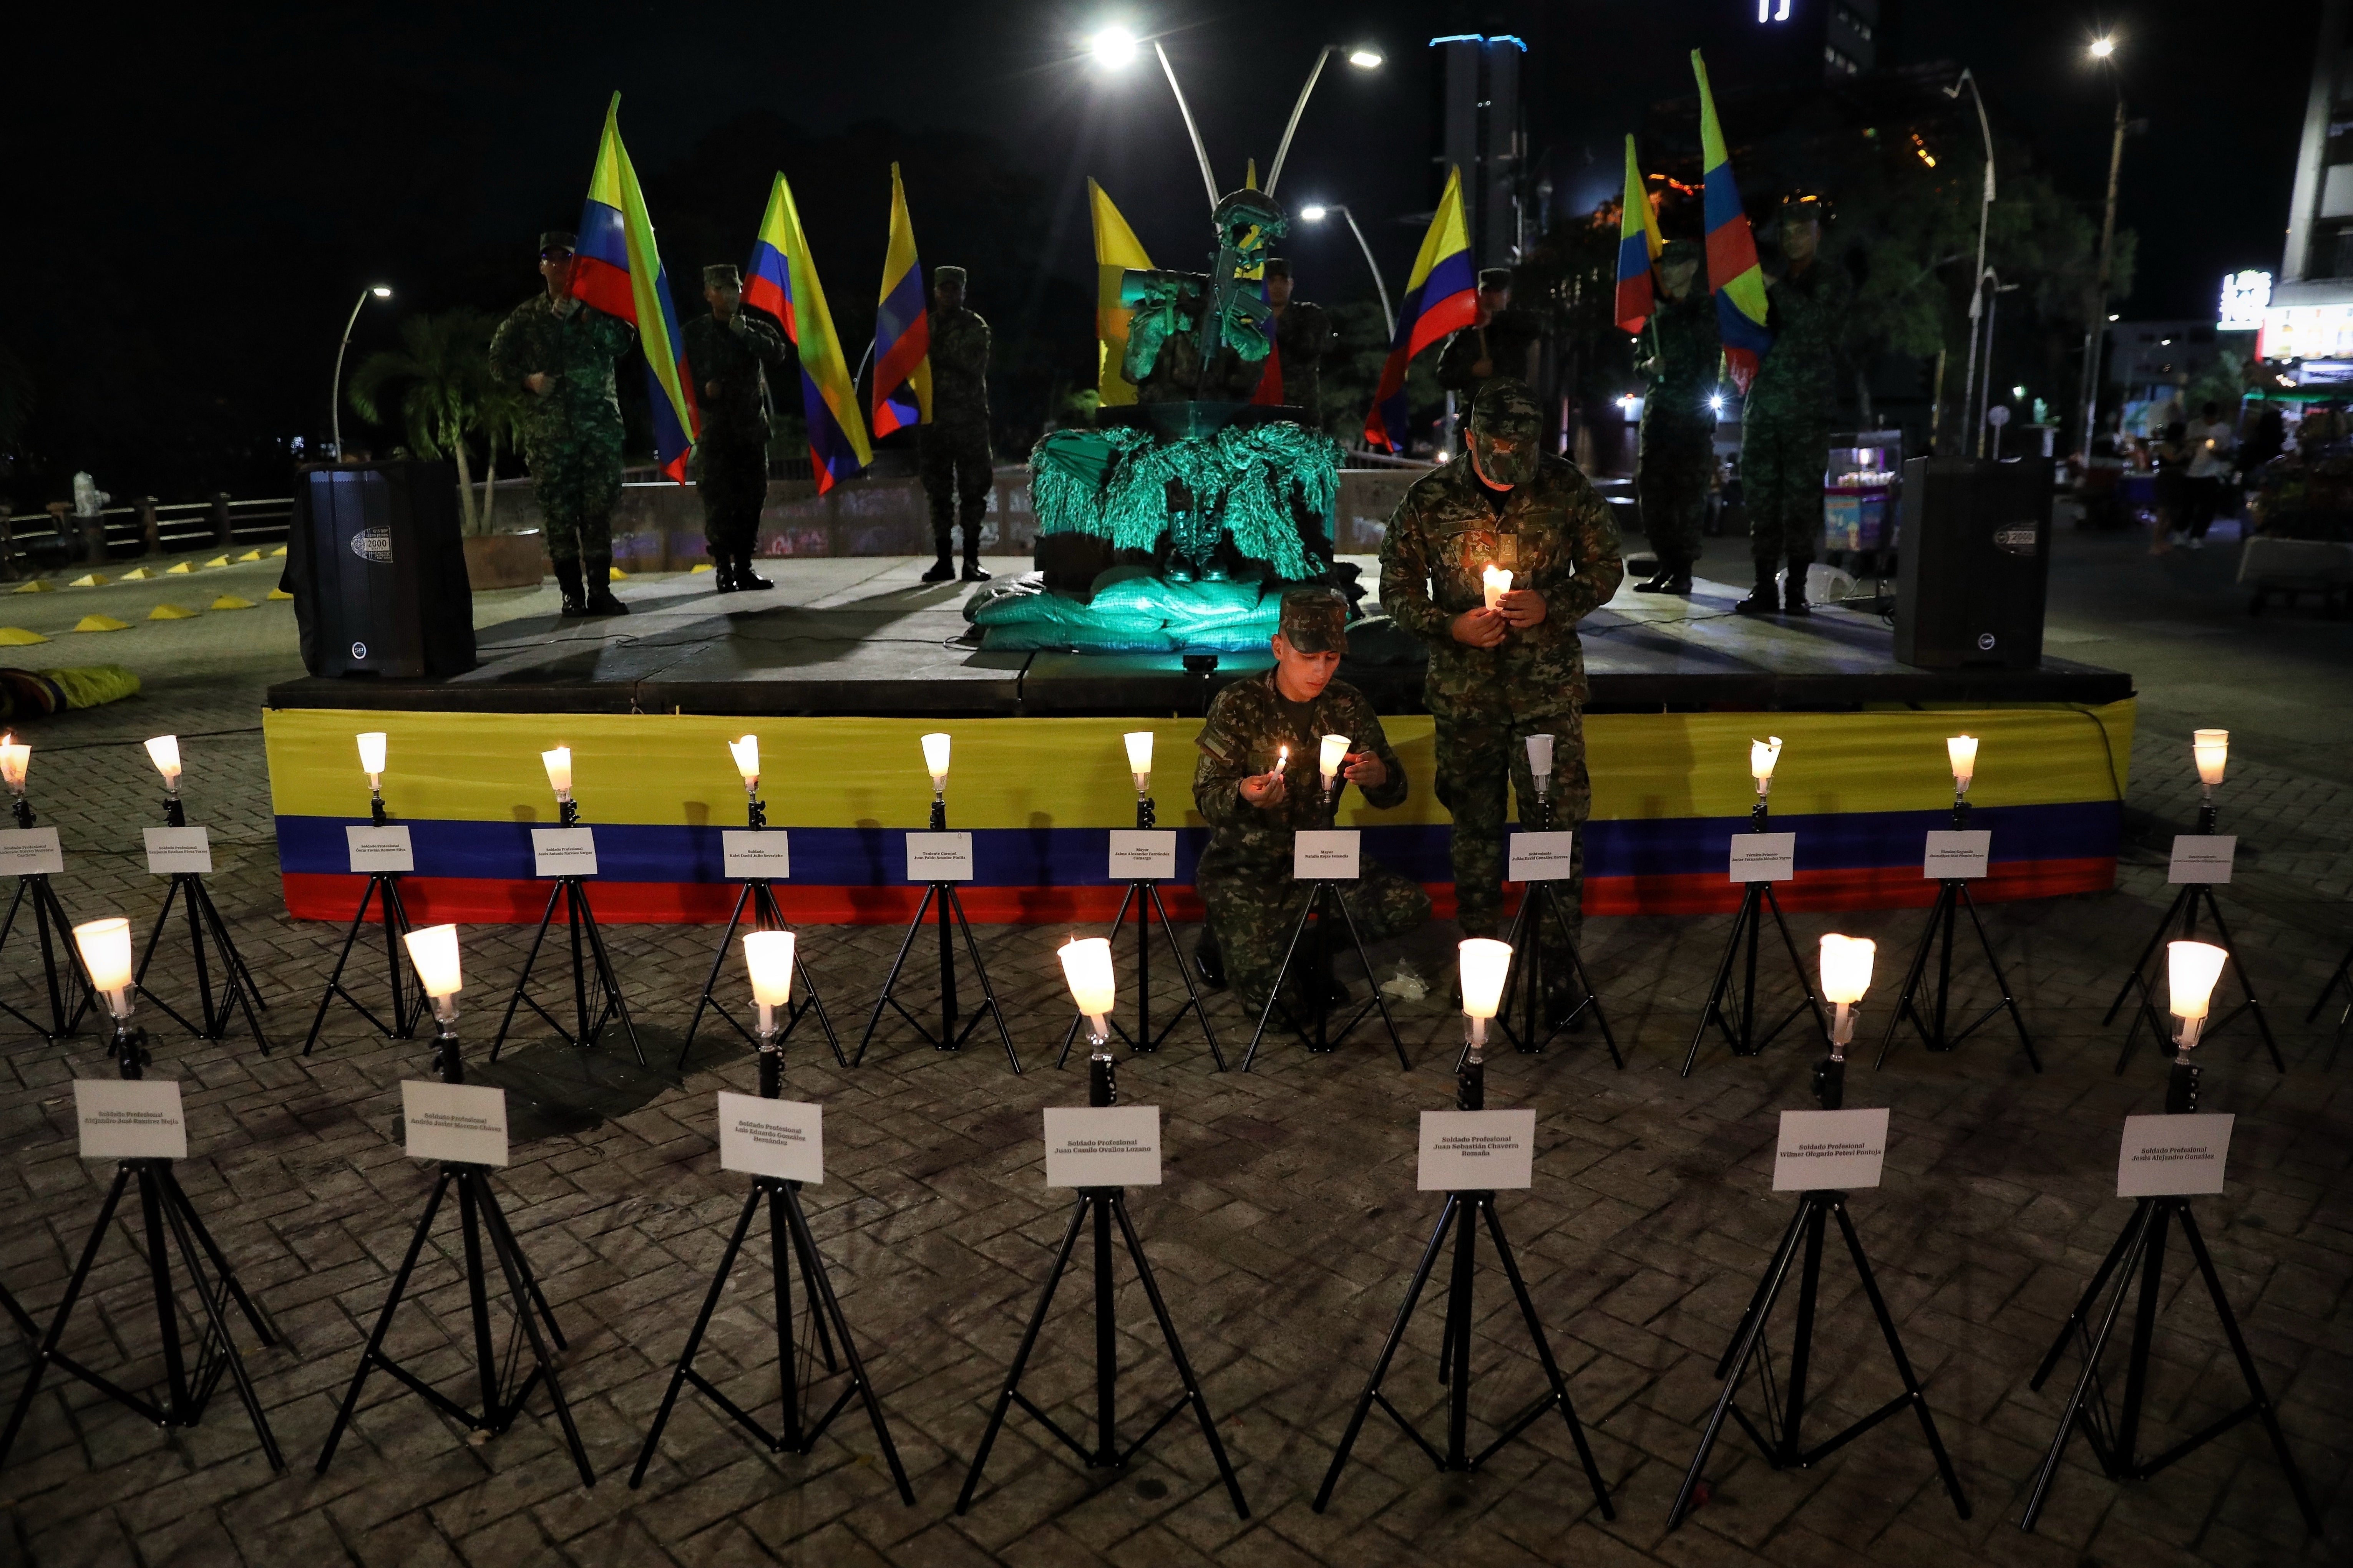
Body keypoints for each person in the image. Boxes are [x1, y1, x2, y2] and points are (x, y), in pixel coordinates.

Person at [1377, 378, 1625, 998]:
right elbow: (1396, 590)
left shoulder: (1565, 488)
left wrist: (1554, 603)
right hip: (1468, 700)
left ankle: (1558, 969)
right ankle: (1481, 961)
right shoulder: (1430, 498)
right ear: (1471, 439)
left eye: (1523, 450)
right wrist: (1449, 625)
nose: (1511, 464)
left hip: (1546, 696)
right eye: (1498, 450)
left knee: (1557, 832)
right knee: (1476, 834)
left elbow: (1606, 565)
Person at [1190, 588, 1429, 1012]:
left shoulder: (1347, 705)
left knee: (1407, 907)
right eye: (1308, 657)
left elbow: (1394, 792)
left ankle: (1300, 950)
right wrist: (1244, 794)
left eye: (1331, 658)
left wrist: (1380, 777)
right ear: (1279, 647)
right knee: (1282, 1012)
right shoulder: (1239, 703)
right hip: (1248, 867)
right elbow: (1208, 795)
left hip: (1320, 856)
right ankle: (1221, 936)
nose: (1320, 671)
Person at [489, 230, 634, 617]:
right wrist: (528, 380)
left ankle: (601, 591)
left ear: (577, 264)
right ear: (540, 266)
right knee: (558, 515)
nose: (558, 265)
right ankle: (572, 594)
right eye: (550, 258)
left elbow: (624, 342)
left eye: (566, 258)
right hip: (549, 437)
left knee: (597, 511)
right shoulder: (526, 317)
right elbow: (497, 362)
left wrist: (585, 314)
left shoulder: (598, 308)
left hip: (597, 430)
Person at [1736, 194, 1850, 617]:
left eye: (1802, 231)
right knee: (1762, 502)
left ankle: (1797, 590)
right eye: (1786, 233)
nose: (1793, 239)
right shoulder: (1772, 284)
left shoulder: (1831, 281)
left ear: (1817, 234)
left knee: (1800, 504)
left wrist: (1775, 288)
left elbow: (1815, 325)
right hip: (1764, 408)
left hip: (1805, 413)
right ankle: (1764, 586)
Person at [682, 263, 790, 592]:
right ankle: (724, 569)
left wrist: (745, 334)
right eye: (721, 289)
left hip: (750, 432)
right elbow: (678, 380)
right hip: (716, 435)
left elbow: (778, 354)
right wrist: (703, 392)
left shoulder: (753, 328)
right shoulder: (693, 334)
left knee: (751, 498)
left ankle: (745, 566)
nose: (729, 295)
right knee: (718, 500)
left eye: (735, 289)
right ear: (707, 294)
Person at [1631, 239, 1719, 593]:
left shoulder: (1705, 309)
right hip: (1660, 415)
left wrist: (1667, 314)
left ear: (1693, 266)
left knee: (1687, 496)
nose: (1668, 270)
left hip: (1692, 418)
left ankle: (1683, 570)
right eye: (1664, 265)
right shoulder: (1656, 315)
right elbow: (1639, 364)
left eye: (1677, 262)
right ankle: (1665, 563)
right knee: (1652, 492)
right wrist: (1648, 367)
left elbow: (1701, 348)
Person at [920, 265, 992, 583]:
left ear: (963, 293)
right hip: (934, 425)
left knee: (973, 492)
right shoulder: (924, 327)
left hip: (969, 424)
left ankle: (972, 560)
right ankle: (944, 561)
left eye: (954, 289)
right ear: (935, 292)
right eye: (943, 289)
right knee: (938, 494)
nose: (948, 294)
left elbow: (972, 363)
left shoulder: (975, 326)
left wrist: (930, 350)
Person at [1437, 268, 1542, 403]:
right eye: (1486, 291)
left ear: (1508, 296)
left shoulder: (1515, 328)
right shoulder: (1468, 335)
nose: (1491, 296)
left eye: (1497, 291)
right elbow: (1444, 375)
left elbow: (1534, 328)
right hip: (1474, 414)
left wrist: (1493, 318)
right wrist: (1472, 371)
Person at [1263, 259, 1333, 427]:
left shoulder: (1310, 315)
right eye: (1272, 281)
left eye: (1283, 281)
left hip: (1300, 413)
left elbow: (1308, 348)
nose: (1278, 286)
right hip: (1262, 411)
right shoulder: (1252, 320)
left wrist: (1269, 325)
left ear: (1291, 284)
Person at [2181, 399, 2237, 550]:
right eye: (2207, 417)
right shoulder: (2195, 426)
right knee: (2187, 505)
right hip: (2192, 472)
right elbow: (2186, 444)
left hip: (2212, 473)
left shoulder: (2223, 430)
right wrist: (2196, 442)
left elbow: (2227, 451)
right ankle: (2180, 532)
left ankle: (2197, 536)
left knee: (2207, 508)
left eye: (2211, 418)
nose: (2208, 421)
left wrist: (2216, 451)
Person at [2149, 419, 2191, 555]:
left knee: (2175, 514)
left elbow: (2186, 464)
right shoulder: (2164, 446)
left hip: (2179, 479)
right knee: (2163, 513)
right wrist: (2186, 452)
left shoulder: (2183, 447)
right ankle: (2155, 544)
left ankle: (2162, 540)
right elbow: (2173, 459)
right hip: (2166, 480)